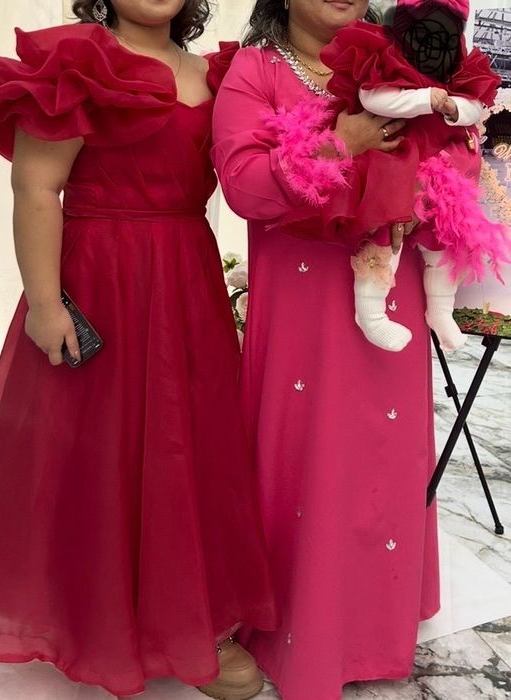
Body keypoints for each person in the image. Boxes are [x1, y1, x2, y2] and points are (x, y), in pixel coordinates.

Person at [0, 2, 277, 698]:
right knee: (97, 450)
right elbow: (36, 185)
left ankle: (195, 620)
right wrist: (44, 303)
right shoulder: (77, 64)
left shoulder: (221, 75)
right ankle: (90, 616)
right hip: (101, 280)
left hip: (186, 279)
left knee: (192, 446)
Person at [212, 0, 441, 698]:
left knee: (387, 447)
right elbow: (242, 186)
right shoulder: (255, 71)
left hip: (391, 290)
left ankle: (376, 626)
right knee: (310, 449)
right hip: (303, 304)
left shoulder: (400, 64)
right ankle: (301, 630)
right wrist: (341, 142)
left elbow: (443, 164)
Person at [318, 0, 507, 353]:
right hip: (394, 161)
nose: (432, 49)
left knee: (446, 243)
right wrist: (425, 100)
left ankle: (441, 310)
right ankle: (371, 314)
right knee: (382, 240)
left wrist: (453, 107)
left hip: (441, 172)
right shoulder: (387, 59)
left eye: (444, 39)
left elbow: (476, 105)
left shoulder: (459, 69)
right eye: (422, 37)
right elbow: (372, 98)